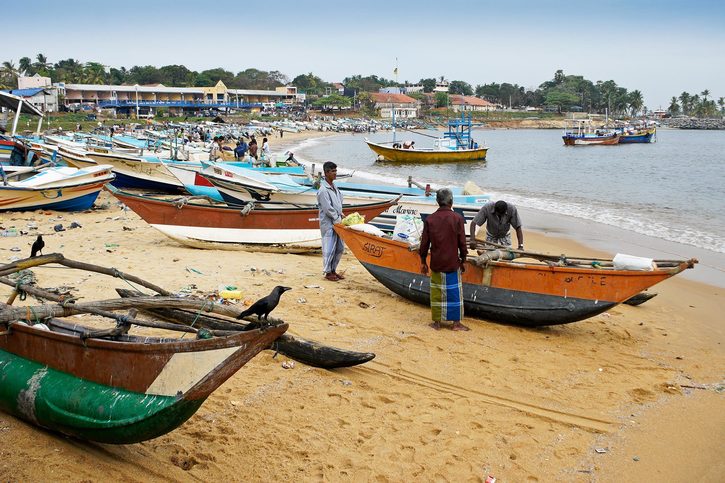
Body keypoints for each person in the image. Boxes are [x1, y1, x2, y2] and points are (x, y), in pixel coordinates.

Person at [419, 188, 469, 331]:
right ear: (451, 201)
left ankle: (437, 323)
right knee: (454, 293)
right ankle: (456, 324)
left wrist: (423, 262)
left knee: (436, 293)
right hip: (452, 263)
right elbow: (462, 243)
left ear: (437, 201)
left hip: (436, 263)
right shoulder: (457, 218)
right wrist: (464, 259)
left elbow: (424, 244)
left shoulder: (430, 219)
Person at [317, 161, 345, 282]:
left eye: (335, 171)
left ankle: (333, 269)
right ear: (326, 172)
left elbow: (338, 204)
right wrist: (338, 219)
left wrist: (342, 215)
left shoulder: (335, 187)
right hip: (329, 223)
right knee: (329, 247)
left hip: (338, 222)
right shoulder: (323, 190)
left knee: (339, 247)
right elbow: (328, 209)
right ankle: (328, 272)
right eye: (332, 171)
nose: (335, 173)